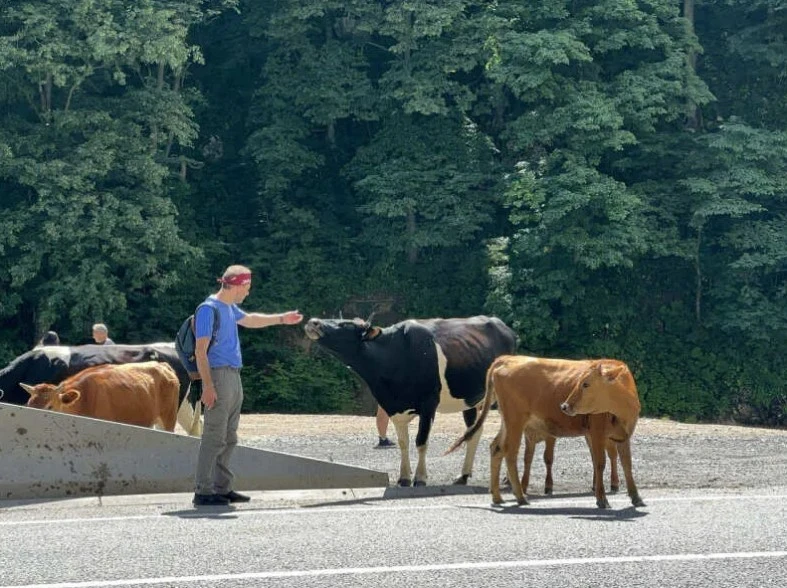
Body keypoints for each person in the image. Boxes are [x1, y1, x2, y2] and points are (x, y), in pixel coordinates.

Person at [193, 264, 303, 507]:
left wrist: (282, 319)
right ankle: (203, 490)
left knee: (229, 437)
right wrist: (208, 386)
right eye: (247, 287)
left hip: (233, 376)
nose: (248, 292)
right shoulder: (208, 309)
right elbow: (200, 351)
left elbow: (251, 320)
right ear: (237, 285)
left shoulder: (229, 308)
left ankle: (222, 488)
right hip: (218, 376)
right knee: (213, 436)